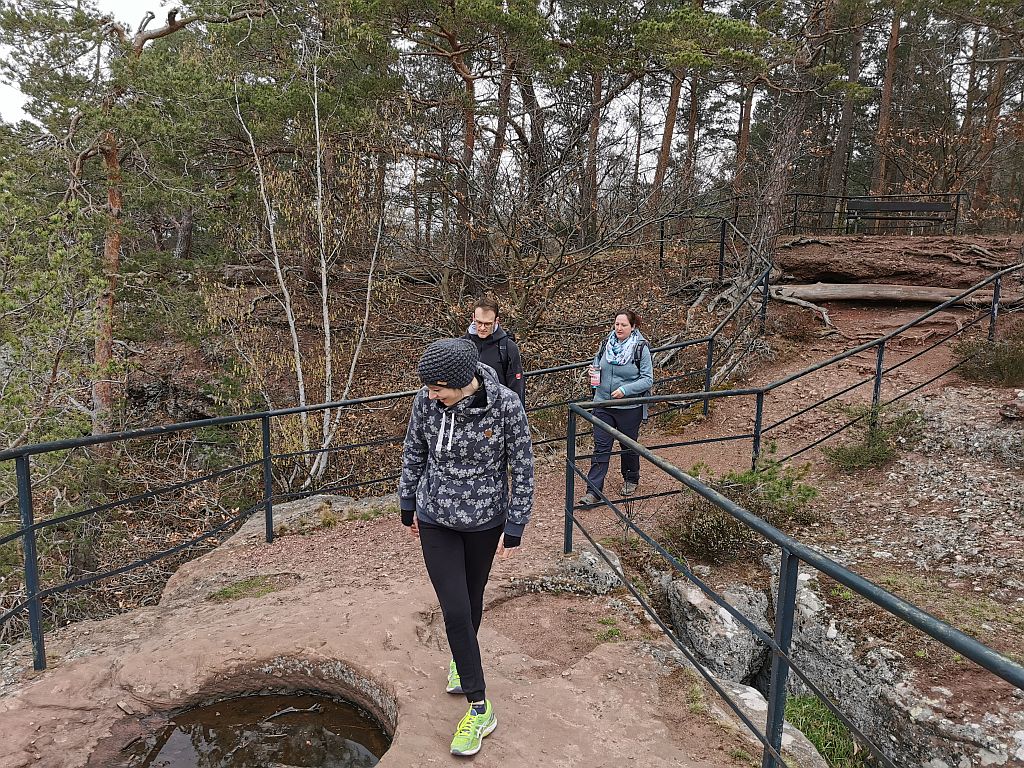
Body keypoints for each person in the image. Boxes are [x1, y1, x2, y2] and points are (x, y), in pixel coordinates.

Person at [399, 337, 535, 757]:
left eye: (437, 388)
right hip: (436, 517)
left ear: (462, 382)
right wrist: (407, 500)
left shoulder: (506, 405)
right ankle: (480, 706)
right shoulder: (426, 402)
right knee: (455, 608)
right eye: (427, 387)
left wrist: (516, 521)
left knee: (473, 597)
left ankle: (462, 659)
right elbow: (414, 449)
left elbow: (522, 464)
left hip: (484, 520)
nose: (429, 395)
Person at [577, 309, 654, 506]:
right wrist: (593, 372)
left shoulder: (640, 348)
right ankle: (593, 492)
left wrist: (625, 390)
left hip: (628, 407)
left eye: (624, 325)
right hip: (603, 403)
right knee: (601, 447)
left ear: (633, 327)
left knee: (628, 445)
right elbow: (597, 362)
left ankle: (631, 478)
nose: (619, 328)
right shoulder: (607, 343)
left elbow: (647, 379)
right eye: (617, 324)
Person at [464, 296, 526, 406]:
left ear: (496, 321)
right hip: (468, 411)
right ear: (473, 318)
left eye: (487, 324)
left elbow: (517, 389)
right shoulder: (462, 345)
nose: (482, 328)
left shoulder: (508, 347)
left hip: (498, 410)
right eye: (479, 322)